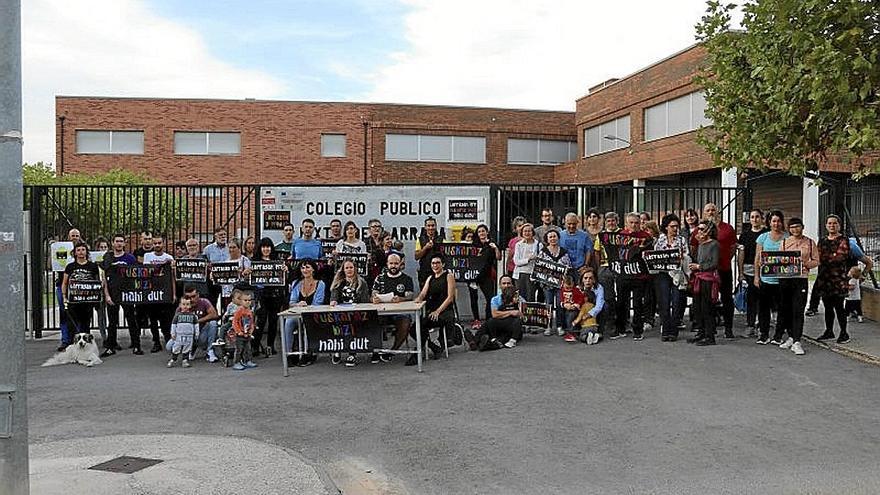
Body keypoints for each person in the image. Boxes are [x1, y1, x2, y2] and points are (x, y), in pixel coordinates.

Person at [691, 202, 737, 338]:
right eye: (708, 210)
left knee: (727, 298)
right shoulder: (699, 229)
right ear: (704, 213)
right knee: (706, 301)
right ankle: (705, 329)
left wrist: (725, 259)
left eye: (713, 210)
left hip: (724, 269)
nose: (711, 212)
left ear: (717, 212)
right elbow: (693, 247)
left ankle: (728, 328)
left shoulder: (728, 228)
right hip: (706, 273)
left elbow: (733, 247)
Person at [776, 217, 819, 355]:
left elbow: (816, 260)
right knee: (786, 309)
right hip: (786, 279)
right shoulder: (784, 242)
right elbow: (778, 260)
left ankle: (797, 340)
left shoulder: (810, 243)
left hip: (801, 279)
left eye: (797, 226)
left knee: (798, 309)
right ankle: (790, 336)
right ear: (789, 229)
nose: (795, 229)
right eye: (792, 227)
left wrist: (805, 264)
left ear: (802, 227)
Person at [806, 233, 874, 317]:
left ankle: (851, 309)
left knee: (850, 289)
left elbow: (869, 262)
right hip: (829, 271)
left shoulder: (852, 246)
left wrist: (863, 275)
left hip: (846, 270)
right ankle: (813, 307)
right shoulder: (825, 245)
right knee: (819, 284)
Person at [814, 215, 853, 344]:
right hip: (824, 279)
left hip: (838, 279)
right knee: (827, 307)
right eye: (829, 223)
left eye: (834, 223)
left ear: (839, 225)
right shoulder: (822, 240)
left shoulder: (844, 239)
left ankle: (844, 332)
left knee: (839, 306)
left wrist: (827, 257)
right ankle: (829, 331)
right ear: (826, 225)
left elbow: (840, 256)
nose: (832, 225)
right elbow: (818, 256)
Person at [100, 234, 142, 356]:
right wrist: (107, 295)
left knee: (131, 320)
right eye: (117, 241)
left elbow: (136, 276)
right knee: (112, 322)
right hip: (112, 294)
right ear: (112, 243)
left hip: (127, 294)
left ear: (124, 244)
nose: (119, 243)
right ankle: (110, 347)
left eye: (121, 241)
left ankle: (136, 345)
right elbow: (104, 279)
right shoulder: (107, 257)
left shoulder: (130, 258)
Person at [371, 252, 415, 364]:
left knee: (406, 322)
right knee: (372, 321)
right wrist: (374, 299)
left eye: (396, 263)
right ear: (387, 264)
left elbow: (410, 295)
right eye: (391, 263)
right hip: (382, 312)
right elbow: (373, 294)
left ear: (401, 264)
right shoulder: (380, 278)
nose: (393, 266)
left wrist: (401, 299)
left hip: (399, 312)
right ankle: (375, 351)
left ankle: (392, 351)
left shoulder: (407, 279)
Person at [614, 212, 652, 341]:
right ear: (626, 224)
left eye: (636, 223)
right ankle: (620, 328)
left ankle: (637, 330)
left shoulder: (646, 237)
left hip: (639, 276)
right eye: (631, 223)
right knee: (621, 303)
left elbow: (650, 255)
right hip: (623, 275)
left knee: (637, 304)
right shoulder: (619, 236)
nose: (634, 225)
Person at [753, 210, 788, 345]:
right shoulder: (763, 237)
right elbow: (758, 257)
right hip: (766, 279)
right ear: (769, 222)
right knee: (763, 309)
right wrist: (756, 276)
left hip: (782, 280)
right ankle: (764, 334)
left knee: (782, 308)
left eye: (778, 221)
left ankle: (778, 335)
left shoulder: (787, 237)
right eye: (774, 221)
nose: (776, 223)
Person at [414, 254, 457, 360]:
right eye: (433, 263)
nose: (435, 265)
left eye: (438, 263)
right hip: (432, 312)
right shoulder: (430, 278)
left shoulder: (448, 276)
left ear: (443, 264)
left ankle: (419, 352)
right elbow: (423, 294)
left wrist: (438, 311)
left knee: (422, 326)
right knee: (414, 327)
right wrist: (418, 299)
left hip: (445, 312)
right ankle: (434, 347)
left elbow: (450, 297)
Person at [284, 259, 326, 365]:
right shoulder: (296, 283)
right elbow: (291, 302)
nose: (305, 270)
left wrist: (307, 307)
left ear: (313, 270)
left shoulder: (320, 284)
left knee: (308, 323)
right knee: (288, 322)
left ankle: (308, 353)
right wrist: (298, 304)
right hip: (298, 313)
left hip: (313, 314)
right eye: (302, 268)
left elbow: (318, 304)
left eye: (307, 267)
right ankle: (289, 354)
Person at [329, 259, 371, 366]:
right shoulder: (338, 283)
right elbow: (333, 297)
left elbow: (365, 301)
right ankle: (338, 350)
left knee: (352, 325)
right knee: (338, 324)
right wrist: (333, 301)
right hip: (341, 312)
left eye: (351, 267)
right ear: (343, 270)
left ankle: (352, 354)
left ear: (355, 269)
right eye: (347, 268)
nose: (349, 270)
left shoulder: (362, 282)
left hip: (356, 313)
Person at [654, 213, 689, 342]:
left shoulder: (681, 240)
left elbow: (686, 255)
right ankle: (666, 329)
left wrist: (681, 258)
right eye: (672, 226)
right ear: (666, 227)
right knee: (664, 301)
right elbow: (656, 255)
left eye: (676, 226)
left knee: (676, 300)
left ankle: (674, 330)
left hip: (677, 273)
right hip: (663, 273)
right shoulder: (660, 240)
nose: (675, 229)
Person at [252, 237, 287, 357]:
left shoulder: (277, 260)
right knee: (260, 321)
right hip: (261, 294)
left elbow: (284, 278)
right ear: (260, 248)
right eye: (263, 247)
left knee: (273, 321)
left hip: (275, 294)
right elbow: (250, 279)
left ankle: (270, 346)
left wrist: (285, 270)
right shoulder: (254, 261)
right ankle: (255, 346)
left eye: (268, 247)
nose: (266, 249)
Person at [61, 241, 99, 346]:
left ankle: (87, 345)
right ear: (75, 253)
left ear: (86, 252)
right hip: (73, 301)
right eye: (78, 250)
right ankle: (70, 345)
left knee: (86, 324)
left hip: (87, 301)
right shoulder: (70, 266)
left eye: (83, 250)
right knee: (72, 325)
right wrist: (64, 296)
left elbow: (97, 283)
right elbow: (64, 283)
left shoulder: (93, 266)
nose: (81, 252)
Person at [688, 220, 720, 346]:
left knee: (707, 308)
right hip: (699, 278)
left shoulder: (714, 244)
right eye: (699, 229)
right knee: (698, 307)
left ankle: (709, 335)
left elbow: (713, 263)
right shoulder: (701, 244)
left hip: (708, 279)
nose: (699, 231)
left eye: (702, 229)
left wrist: (699, 266)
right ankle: (701, 332)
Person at [143, 234, 177, 352]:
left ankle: (168, 339)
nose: (157, 245)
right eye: (155, 243)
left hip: (165, 294)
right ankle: (156, 342)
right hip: (151, 294)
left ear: (163, 243)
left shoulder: (169, 257)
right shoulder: (147, 256)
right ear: (153, 244)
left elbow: (172, 277)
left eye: (159, 243)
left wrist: (173, 294)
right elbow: (144, 275)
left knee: (166, 319)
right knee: (152, 320)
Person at [737, 209, 767, 336]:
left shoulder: (766, 234)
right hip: (748, 269)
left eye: (757, 217)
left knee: (763, 299)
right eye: (752, 217)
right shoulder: (745, 235)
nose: (755, 219)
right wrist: (740, 272)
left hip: (764, 269)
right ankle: (750, 324)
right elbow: (741, 253)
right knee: (751, 298)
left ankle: (762, 325)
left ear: (762, 218)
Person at [474, 274, 522, 350]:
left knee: (505, 335)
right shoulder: (495, 299)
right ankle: (475, 342)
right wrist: (511, 312)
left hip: (512, 327)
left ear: (512, 285)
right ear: (500, 285)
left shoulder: (519, 298)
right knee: (489, 322)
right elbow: (495, 314)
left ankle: (480, 343)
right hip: (499, 325)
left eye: (508, 283)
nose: (506, 286)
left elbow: (523, 314)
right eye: (504, 283)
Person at [592, 212, 621, 339]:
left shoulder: (622, 233)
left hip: (620, 267)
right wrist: (599, 268)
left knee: (621, 296)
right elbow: (597, 252)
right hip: (605, 267)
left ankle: (622, 323)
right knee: (608, 297)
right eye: (609, 221)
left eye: (613, 221)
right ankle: (610, 324)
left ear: (617, 221)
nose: (611, 223)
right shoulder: (601, 235)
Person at [537, 229, 570, 336]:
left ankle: (560, 326)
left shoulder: (563, 251)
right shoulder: (543, 252)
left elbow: (568, 266)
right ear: (547, 239)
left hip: (560, 284)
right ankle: (548, 326)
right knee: (548, 304)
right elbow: (539, 267)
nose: (553, 239)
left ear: (558, 238)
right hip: (547, 284)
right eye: (550, 237)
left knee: (560, 305)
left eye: (554, 236)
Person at [55, 227, 83, 350]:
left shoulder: (83, 249)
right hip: (62, 285)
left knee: (79, 314)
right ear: (68, 237)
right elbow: (52, 265)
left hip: (79, 287)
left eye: (77, 236)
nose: (75, 238)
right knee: (64, 313)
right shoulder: (60, 248)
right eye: (73, 236)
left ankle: (80, 339)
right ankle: (65, 340)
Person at [468, 224, 502, 327]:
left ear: (487, 232)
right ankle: (476, 319)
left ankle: (488, 319)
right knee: (474, 297)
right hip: (473, 275)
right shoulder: (473, 244)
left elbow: (499, 258)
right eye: (479, 232)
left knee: (490, 298)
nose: (481, 233)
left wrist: (495, 248)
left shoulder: (492, 244)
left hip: (486, 275)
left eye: (483, 231)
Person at [182, 285, 220, 363]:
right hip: (188, 335)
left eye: (193, 296)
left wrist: (197, 321)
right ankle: (190, 349)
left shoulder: (204, 301)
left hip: (201, 334)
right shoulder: (183, 304)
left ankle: (210, 351)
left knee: (213, 323)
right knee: (169, 346)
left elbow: (214, 314)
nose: (191, 299)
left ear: (198, 295)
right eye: (188, 297)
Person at [572, 268, 605, 345]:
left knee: (605, 306)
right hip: (581, 310)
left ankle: (599, 331)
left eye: (590, 278)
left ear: (594, 280)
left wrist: (589, 314)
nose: (588, 280)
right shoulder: (577, 288)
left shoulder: (599, 287)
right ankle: (575, 331)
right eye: (585, 278)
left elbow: (599, 305)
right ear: (582, 279)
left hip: (593, 311)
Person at [218, 238, 251, 311]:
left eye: (234, 247)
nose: (231, 250)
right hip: (227, 292)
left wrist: (244, 273)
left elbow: (249, 277)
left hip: (240, 294)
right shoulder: (225, 262)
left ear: (239, 248)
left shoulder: (244, 260)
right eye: (230, 247)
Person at [230, 289, 258, 371]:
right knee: (239, 349)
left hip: (247, 334)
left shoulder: (250, 311)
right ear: (241, 301)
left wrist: (251, 330)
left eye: (249, 300)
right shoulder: (239, 310)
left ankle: (248, 360)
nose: (248, 302)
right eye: (245, 300)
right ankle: (236, 362)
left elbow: (251, 322)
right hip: (240, 334)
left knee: (248, 349)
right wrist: (238, 331)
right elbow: (235, 322)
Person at [167, 297, 198, 368]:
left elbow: (196, 325)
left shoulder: (193, 316)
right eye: (183, 304)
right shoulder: (177, 315)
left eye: (187, 304)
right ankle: (173, 359)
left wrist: (196, 333)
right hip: (179, 335)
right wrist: (173, 333)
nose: (185, 306)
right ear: (180, 305)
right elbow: (173, 325)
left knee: (187, 348)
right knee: (176, 347)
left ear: (190, 306)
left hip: (189, 336)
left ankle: (185, 360)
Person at [513, 223, 540, 303]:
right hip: (520, 274)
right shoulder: (518, 245)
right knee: (521, 297)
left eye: (529, 231)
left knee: (530, 297)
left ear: (533, 232)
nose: (527, 233)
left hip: (532, 274)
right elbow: (516, 261)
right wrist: (528, 259)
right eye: (525, 231)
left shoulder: (538, 244)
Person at [203, 226, 230, 308]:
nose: (223, 237)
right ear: (215, 236)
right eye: (221, 235)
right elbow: (204, 262)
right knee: (212, 303)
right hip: (213, 281)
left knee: (226, 305)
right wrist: (208, 266)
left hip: (227, 281)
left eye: (224, 234)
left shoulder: (230, 248)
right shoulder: (208, 249)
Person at [415, 216, 445, 287]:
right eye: (428, 226)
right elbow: (416, 257)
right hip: (424, 273)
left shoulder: (442, 239)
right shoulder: (420, 239)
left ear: (436, 226)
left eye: (433, 225)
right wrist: (425, 248)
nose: (431, 228)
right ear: (425, 227)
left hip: (438, 273)